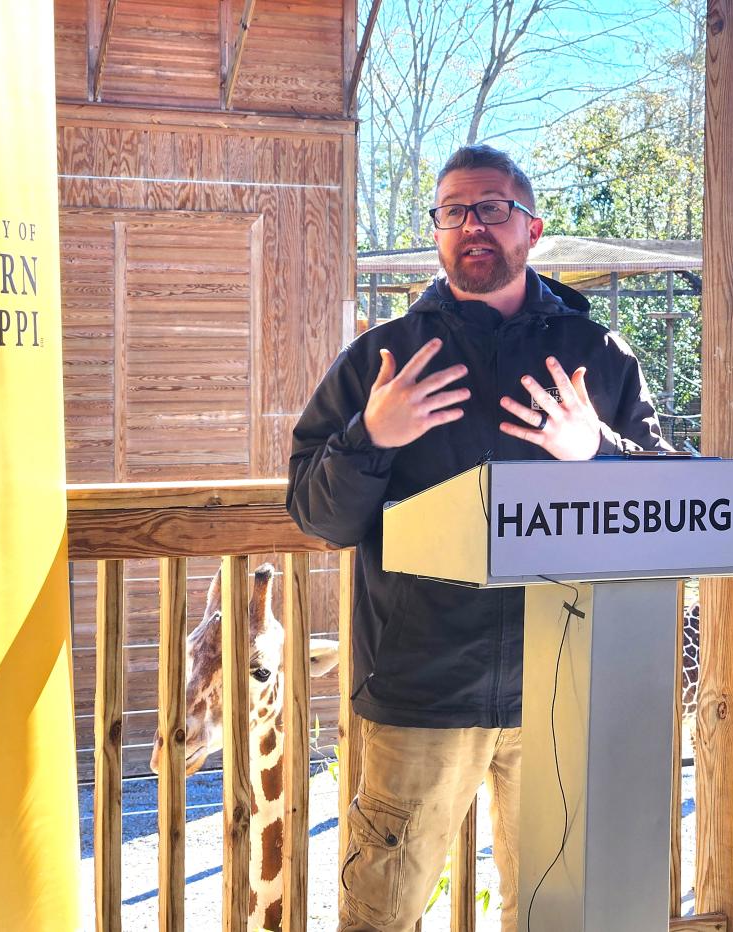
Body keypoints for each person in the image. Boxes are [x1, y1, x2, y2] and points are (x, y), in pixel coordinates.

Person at [287, 144, 670, 931]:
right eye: (453, 211)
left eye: (492, 208)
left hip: (561, 691)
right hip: (421, 690)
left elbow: (670, 502)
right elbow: (317, 515)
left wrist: (594, 451)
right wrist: (373, 433)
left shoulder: (596, 357)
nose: (472, 225)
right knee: (380, 913)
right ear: (437, 231)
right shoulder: (381, 359)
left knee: (560, 914)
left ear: (531, 228)